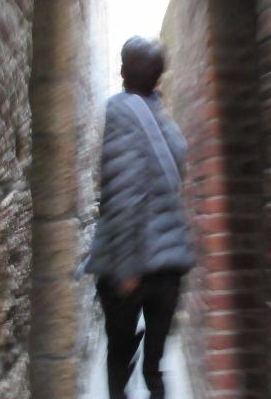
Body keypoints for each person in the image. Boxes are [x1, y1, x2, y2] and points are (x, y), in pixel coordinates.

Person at [86, 36, 194, 399]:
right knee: (154, 367)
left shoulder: (120, 111)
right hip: (170, 266)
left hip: (131, 267)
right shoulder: (166, 124)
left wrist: (127, 268)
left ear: (122, 72)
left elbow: (125, 191)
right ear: (159, 79)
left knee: (119, 360)